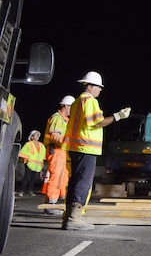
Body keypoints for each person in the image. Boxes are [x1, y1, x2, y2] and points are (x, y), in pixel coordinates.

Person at [61, 71, 131, 231]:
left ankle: (68, 216)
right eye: (99, 87)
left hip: (76, 147)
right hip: (86, 148)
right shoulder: (90, 101)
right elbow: (96, 122)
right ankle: (74, 218)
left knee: (75, 182)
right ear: (91, 86)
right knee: (83, 183)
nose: (100, 90)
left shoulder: (78, 101)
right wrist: (117, 116)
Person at [42, 95, 75, 215]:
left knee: (64, 178)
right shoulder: (57, 118)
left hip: (63, 152)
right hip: (57, 151)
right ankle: (50, 205)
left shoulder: (65, 120)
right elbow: (55, 136)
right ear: (65, 106)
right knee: (56, 177)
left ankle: (60, 202)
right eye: (71, 107)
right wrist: (69, 142)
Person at [18, 130, 46, 196]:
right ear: (32, 137)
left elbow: (43, 157)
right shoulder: (28, 144)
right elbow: (21, 153)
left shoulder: (41, 145)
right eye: (36, 135)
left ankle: (30, 191)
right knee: (27, 177)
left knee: (33, 178)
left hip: (37, 165)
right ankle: (21, 191)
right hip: (29, 163)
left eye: (38, 135)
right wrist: (27, 158)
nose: (37, 137)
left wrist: (42, 166)